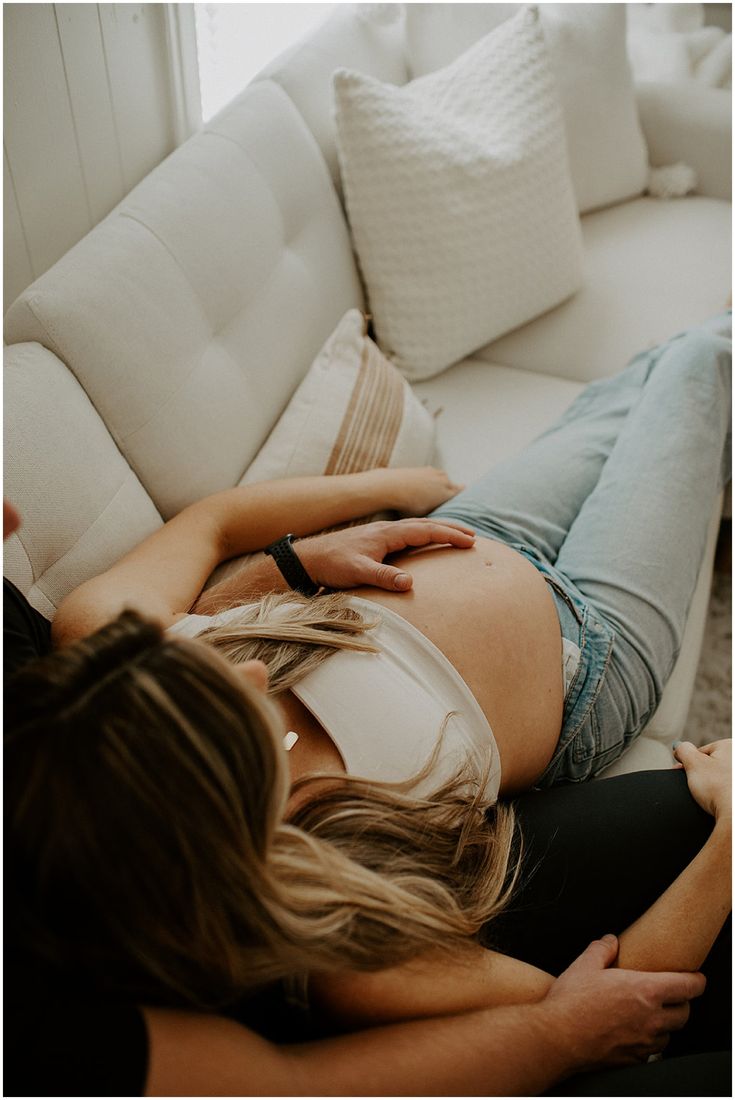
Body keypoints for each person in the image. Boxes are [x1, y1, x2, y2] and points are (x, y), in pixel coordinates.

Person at [5, 316, 732, 1094]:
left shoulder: (107, 644)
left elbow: (210, 524)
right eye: (237, 702)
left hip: (455, 534)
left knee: (656, 363)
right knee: (700, 361)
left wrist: (388, 493)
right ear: (235, 807)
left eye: (209, 659)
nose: (252, 673)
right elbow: (611, 1010)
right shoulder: (341, 932)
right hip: (590, 656)